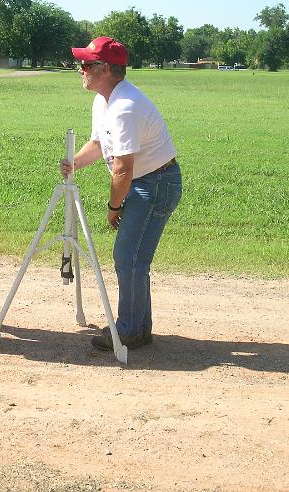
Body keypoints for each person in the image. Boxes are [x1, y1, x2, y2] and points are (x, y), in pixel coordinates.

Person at [61, 36, 182, 351]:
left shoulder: (125, 107)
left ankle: (128, 330)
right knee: (134, 258)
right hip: (145, 181)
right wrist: (75, 164)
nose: (80, 70)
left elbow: (123, 168)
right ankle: (139, 328)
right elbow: (99, 145)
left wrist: (114, 206)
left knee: (128, 257)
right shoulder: (103, 100)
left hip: (154, 183)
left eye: (85, 64)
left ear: (104, 69)